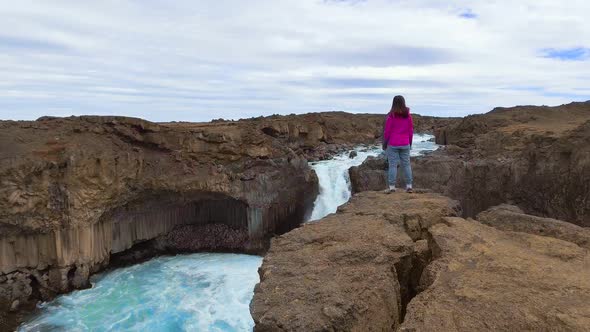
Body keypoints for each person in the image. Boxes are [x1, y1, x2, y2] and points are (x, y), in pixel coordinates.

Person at [382, 95, 414, 193]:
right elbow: (411, 131)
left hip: (393, 143)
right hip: (405, 143)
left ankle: (392, 187)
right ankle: (409, 186)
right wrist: (410, 142)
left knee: (392, 165)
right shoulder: (408, 116)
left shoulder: (391, 116)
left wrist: (385, 143)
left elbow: (387, 131)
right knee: (407, 165)